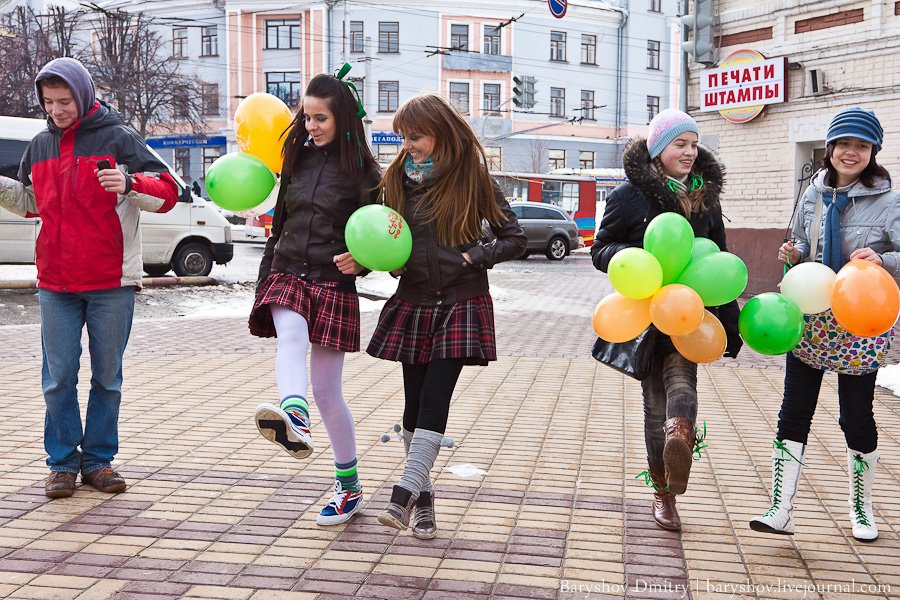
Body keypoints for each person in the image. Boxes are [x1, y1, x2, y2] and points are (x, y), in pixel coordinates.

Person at [0, 57, 180, 498]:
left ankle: (98, 460)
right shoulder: (41, 144)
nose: (56, 110)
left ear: (82, 96)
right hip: (56, 283)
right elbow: (31, 202)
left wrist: (130, 181)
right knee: (57, 377)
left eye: (64, 101)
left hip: (110, 282)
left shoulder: (118, 138)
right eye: (48, 102)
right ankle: (62, 463)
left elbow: (169, 192)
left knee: (107, 377)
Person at [368, 93, 526, 539]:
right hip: (414, 300)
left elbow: (512, 238)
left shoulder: (474, 180)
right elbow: (386, 233)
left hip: (461, 301)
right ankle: (424, 500)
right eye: (403, 137)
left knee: (436, 397)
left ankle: (402, 494)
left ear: (441, 133)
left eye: (414, 136)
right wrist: (390, 260)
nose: (407, 145)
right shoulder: (398, 179)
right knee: (413, 406)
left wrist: (474, 256)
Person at [751, 107, 898, 542]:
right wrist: (791, 253)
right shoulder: (813, 195)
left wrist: (884, 259)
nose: (851, 152)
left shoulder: (890, 201)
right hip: (812, 321)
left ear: (872, 152)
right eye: (843, 144)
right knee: (794, 412)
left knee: (856, 418)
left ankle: (862, 508)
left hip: (860, 325)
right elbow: (799, 240)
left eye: (861, 145)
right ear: (830, 148)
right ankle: (780, 509)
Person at [591, 108, 740, 531]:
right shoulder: (627, 197)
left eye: (694, 144)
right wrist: (627, 259)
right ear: (659, 149)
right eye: (680, 144)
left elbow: (720, 265)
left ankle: (681, 439)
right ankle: (664, 491)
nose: (690, 152)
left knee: (682, 382)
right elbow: (601, 248)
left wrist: (729, 323)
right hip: (642, 314)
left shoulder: (706, 198)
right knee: (655, 402)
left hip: (689, 311)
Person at [249, 70, 380, 526]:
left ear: (341, 117)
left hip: (331, 278)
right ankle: (293, 413)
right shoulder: (296, 159)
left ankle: (349, 488)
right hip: (288, 268)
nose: (311, 127)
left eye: (320, 118)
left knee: (328, 391)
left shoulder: (364, 171)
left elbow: (378, 233)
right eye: (306, 118)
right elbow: (279, 223)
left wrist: (361, 262)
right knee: (291, 333)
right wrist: (265, 277)